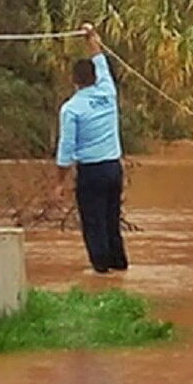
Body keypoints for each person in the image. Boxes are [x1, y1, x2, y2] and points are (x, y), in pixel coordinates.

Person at [55, 23, 128, 274]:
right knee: (111, 219)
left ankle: (101, 272)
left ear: (74, 80)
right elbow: (100, 58)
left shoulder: (71, 109)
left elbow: (66, 149)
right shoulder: (108, 91)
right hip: (114, 169)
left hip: (91, 172)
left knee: (94, 222)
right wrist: (91, 37)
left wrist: (59, 183)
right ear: (95, 77)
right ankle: (119, 264)